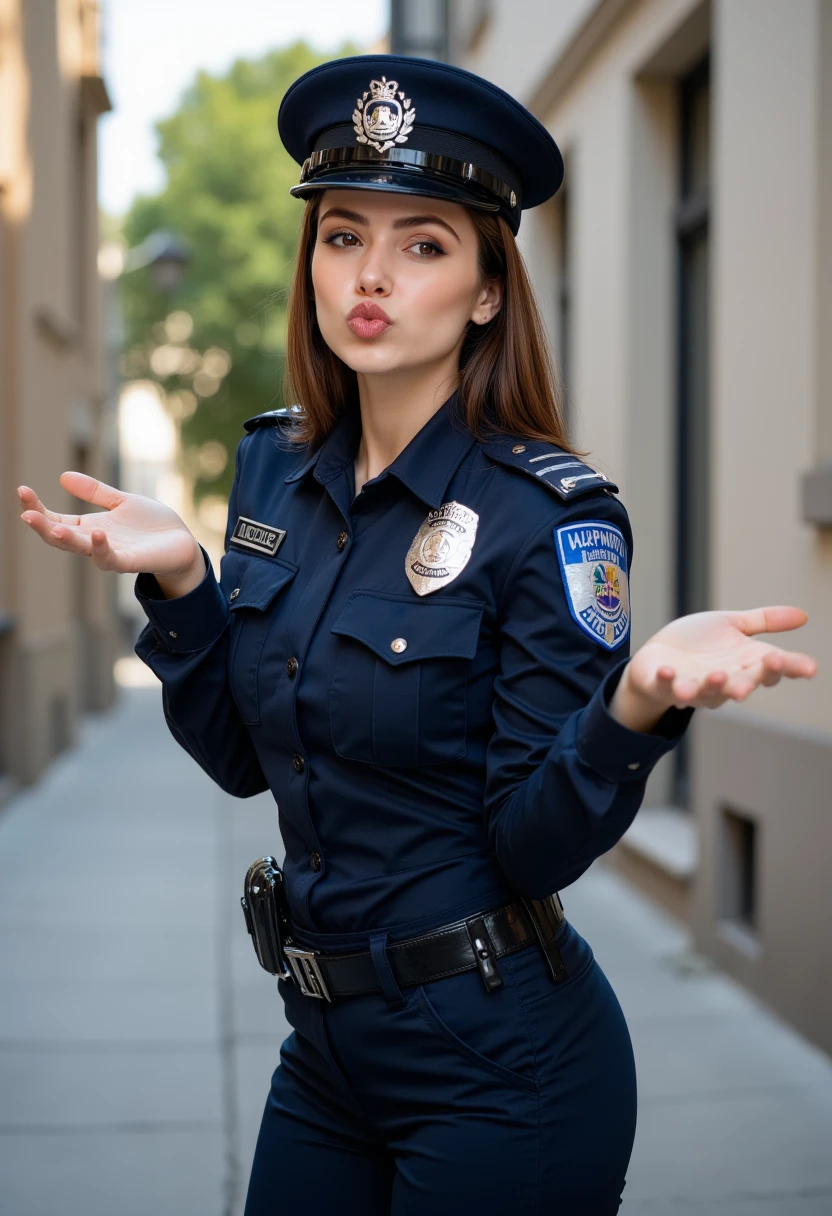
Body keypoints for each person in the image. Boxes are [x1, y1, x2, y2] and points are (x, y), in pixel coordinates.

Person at [18, 54, 817, 1216]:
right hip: (326, 1050)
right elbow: (251, 761)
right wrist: (187, 582)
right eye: (342, 236)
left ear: (487, 289)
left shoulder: (549, 515)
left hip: (500, 1064)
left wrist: (636, 702)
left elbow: (532, 845)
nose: (371, 275)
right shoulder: (273, 471)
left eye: (424, 243)